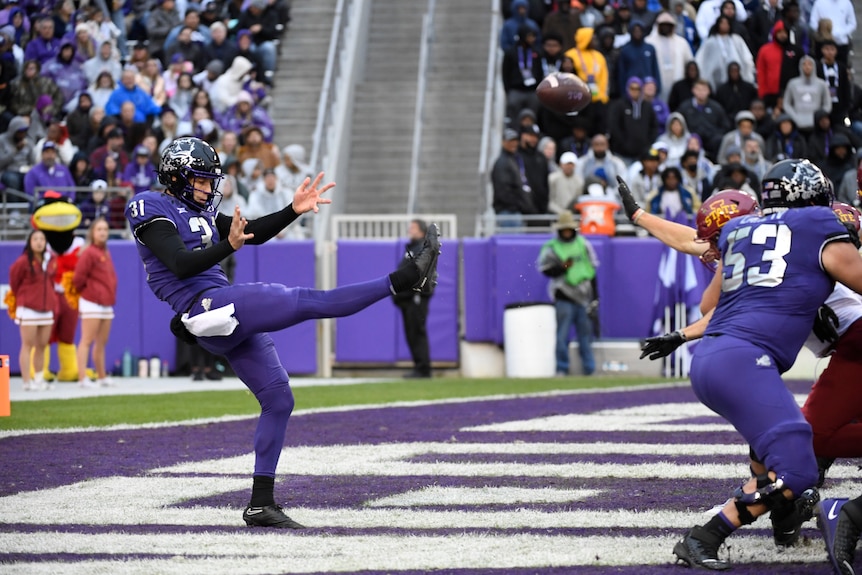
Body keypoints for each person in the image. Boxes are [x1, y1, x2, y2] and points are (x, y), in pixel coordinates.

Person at [125, 137, 440, 528]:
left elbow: (252, 231)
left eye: (210, 180)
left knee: (279, 399)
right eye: (202, 180)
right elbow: (181, 263)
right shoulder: (148, 205)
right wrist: (230, 245)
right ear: (176, 178)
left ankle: (261, 503)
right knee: (306, 300)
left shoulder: (199, 213)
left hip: (219, 312)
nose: (210, 188)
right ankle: (405, 278)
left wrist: (293, 210)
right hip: (205, 306)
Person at [617, 160, 862, 570]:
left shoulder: (746, 233)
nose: (711, 250)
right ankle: (715, 534)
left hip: (724, 357)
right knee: (799, 461)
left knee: (782, 451)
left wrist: (682, 334)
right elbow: (701, 250)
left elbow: (708, 279)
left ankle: (775, 522)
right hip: (750, 356)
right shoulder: (810, 226)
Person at [537, 210, 598, 376]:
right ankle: (562, 368)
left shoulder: (583, 244)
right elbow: (546, 270)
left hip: (583, 295)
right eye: (563, 230)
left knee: (585, 336)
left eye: (568, 229)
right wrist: (562, 267)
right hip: (563, 295)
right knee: (562, 335)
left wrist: (595, 298)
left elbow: (592, 270)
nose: (566, 232)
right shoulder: (552, 248)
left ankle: (589, 368)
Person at [7, 230, 57, 392]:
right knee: (27, 345)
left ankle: (39, 379)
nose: (39, 242)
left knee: (42, 346)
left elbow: (51, 280)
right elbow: (14, 281)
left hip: (46, 308)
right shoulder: (23, 261)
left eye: (42, 239)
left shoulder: (50, 260)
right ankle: (26, 381)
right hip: (28, 308)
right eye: (35, 239)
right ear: (29, 242)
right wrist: (25, 297)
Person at [72, 218, 118, 389]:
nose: (103, 232)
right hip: (92, 302)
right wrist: (91, 292)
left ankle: (101, 376)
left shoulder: (105, 252)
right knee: (86, 340)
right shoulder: (88, 252)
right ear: (92, 232)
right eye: (99, 229)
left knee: (101, 342)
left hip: (106, 303)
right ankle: (82, 378)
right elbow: (78, 279)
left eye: (105, 229)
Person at [392, 219, 434, 379]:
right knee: (412, 333)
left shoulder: (423, 249)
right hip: (407, 299)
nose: (410, 230)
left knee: (417, 333)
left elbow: (419, 274)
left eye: (413, 228)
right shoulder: (414, 248)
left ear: (422, 231)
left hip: (415, 298)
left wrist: (416, 293)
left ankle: (423, 369)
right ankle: (419, 367)